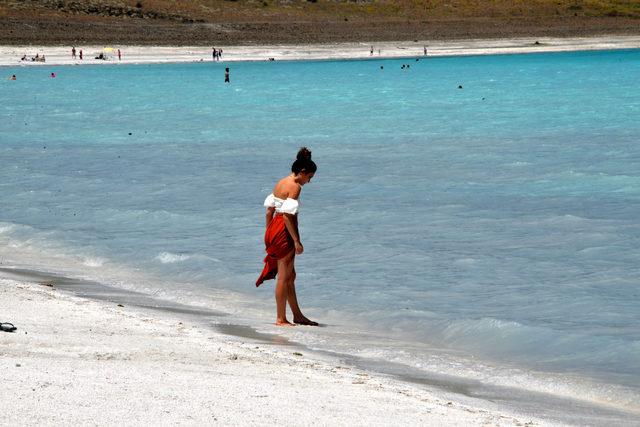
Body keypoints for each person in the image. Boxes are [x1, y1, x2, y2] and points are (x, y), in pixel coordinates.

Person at [256, 147, 318, 326]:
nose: (309, 181)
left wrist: (269, 233)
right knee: (284, 276)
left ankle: (297, 315)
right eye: (309, 177)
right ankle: (280, 318)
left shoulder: (280, 182)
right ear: (303, 172)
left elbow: (270, 211)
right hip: (284, 231)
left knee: (290, 275)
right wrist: (297, 241)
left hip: (273, 230)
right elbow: (287, 216)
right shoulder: (295, 187)